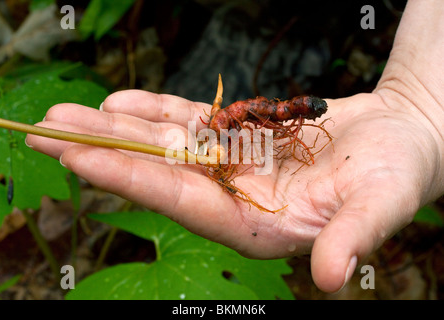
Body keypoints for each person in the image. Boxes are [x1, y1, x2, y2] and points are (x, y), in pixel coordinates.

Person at [26, 0, 443, 293]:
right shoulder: (235, 120)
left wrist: (421, 107)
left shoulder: (271, 115)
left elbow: (272, 115)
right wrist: (418, 101)